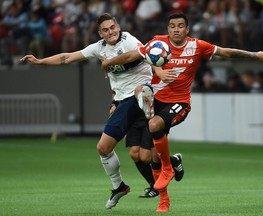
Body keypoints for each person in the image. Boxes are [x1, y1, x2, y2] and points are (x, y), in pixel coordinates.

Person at [101, 13, 263, 212]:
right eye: (172, 26)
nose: (176, 29)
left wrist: (254, 55)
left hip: (180, 103)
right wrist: (108, 62)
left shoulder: (198, 46)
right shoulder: (158, 43)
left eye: (180, 26)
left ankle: (167, 167)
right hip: (157, 102)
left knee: (154, 125)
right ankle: (164, 199)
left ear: (187, 29)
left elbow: (225, 52)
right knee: (153, 155)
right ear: (168, 28)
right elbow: (132, 56)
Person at [20, 13, 183, 210]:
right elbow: (68, 57)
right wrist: (40, 61)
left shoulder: (129, 40)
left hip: (141, 95)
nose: (111, 32)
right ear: (100, 33)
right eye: (105, 30)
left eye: (112, 27)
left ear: (117, 26)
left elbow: (149, 56)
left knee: (146, 153)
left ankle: (164, 173)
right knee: (104, 149)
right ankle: (120, 186)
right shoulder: (99, 48)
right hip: (123, 101)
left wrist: (156, 71)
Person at [110, 91, 184, 199]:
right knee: (134, 154)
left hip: (148, 113)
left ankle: (173, 161)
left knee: (146, 157)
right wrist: (114, 104)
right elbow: (117, 89)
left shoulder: (148, 74)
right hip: (132, 114)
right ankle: (154, 186)